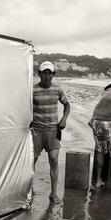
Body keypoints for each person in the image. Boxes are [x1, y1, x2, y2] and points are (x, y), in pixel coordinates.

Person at [31, 61, 71, 204]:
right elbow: (24, 108)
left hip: (53, 130)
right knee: (32, 160)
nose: (47, 76)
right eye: (44, 73)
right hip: (36, 130)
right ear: (39, 73)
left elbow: (67, 105)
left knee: (54, 160)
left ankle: (53, 193)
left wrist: (64, 119)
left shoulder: (58, 89)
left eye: (50, 73)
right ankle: (29, 190)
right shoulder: (32, 90)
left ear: (53, 74)